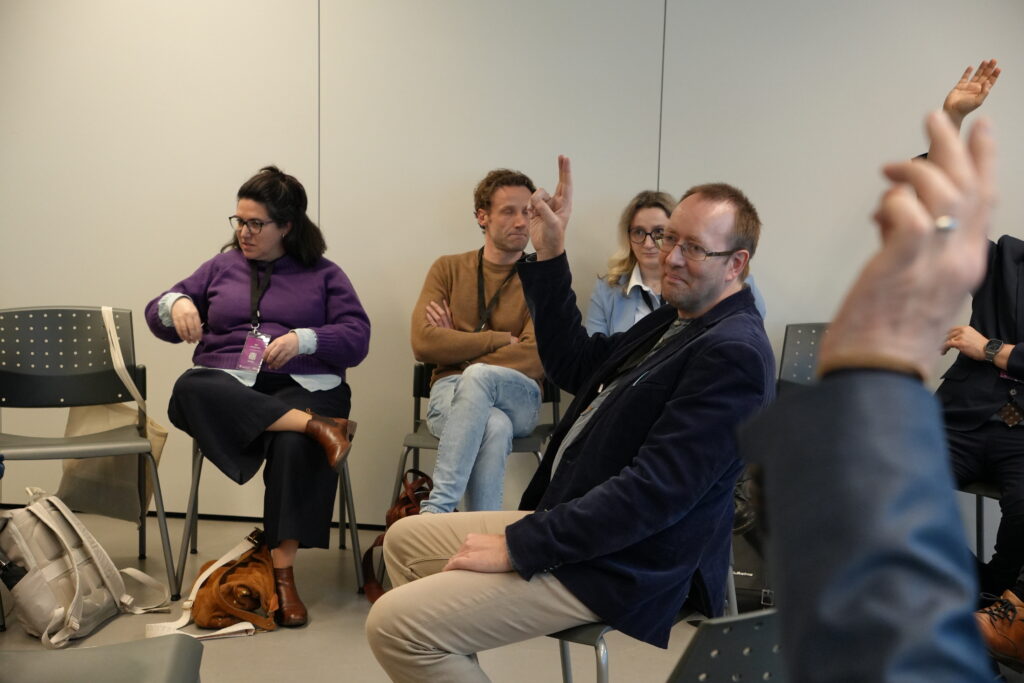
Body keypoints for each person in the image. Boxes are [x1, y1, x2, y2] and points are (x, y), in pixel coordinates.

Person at [367, 156, 775, 681]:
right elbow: (576, 365)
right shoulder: (679, 319)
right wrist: (551, 252)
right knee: (404, 541)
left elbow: (653, 495)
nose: (669, 256)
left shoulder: (733, 353)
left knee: (394, 626)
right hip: (584, 523)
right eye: (669, 238)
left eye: (693, 248)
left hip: (623, 561)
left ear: (736, 263)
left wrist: (520, 547)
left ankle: (434, 642)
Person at [741, 109, 996, 681]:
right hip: (957, 421)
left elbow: (899, 659)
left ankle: (994, 609)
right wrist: (952, 120)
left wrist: (876, 367)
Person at [145, 166, 370, 627]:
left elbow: (357, 337)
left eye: (255, 224)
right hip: (231, 383)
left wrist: (305, 340)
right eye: (239, 221)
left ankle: (282, 575)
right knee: (190, 387)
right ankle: (318, 427)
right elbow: (158, 314)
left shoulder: (325, 274)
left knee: (292, 444)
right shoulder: (220, 267)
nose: (243, 232)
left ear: (286, 225)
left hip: (306, 383)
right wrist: (177, 303)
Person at [409, 168, 544, 514]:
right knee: (494, 425)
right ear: (482, 217)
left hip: (519, 395)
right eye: (509, 211)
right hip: (449, 392)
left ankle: (437, 512)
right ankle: (477, 532)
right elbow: (423, 343)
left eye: (527, 212)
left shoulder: (542, 279)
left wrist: (458, 347)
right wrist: (497, 340)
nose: (521, 222)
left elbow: (536, 356)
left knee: (478, 376)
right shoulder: (448, 269)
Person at [586, 190, 767, 336]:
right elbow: (594, 357)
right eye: (639, 232)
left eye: (660, 233)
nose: (648, 244)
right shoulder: (608, 287)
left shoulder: (729, 285)